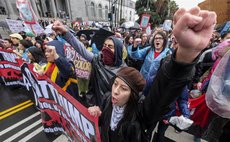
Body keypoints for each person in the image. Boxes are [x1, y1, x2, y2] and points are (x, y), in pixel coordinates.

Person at [86, 7, 217, 142]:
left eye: (124, 88)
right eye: (115, 84)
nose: (115, 91)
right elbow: (104, 121)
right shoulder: (108, 99)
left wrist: (185, 54)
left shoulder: (140, 114)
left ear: (133, 95)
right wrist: (96, 112)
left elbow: (163, 91)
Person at [52, 21, 126, 106]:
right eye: (104, 46)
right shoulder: (97, 61)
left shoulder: (125, 71)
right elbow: (80, 49)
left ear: (118, 51)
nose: (106, 49)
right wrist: (65, 32)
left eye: (110, 47)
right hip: (98, 107)